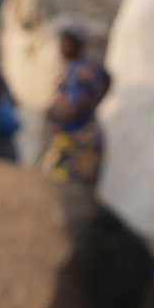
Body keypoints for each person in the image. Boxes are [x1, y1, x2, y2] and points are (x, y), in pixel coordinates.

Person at [38, 20, 110, 189]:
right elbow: (108, 80)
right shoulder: (91, 67)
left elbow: (75, 108)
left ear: (77, 45)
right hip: (85, 135)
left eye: (65, 42)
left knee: (62, 188)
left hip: (75, 139)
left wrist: (51, 111)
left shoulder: (78, 72)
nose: (61, 46)